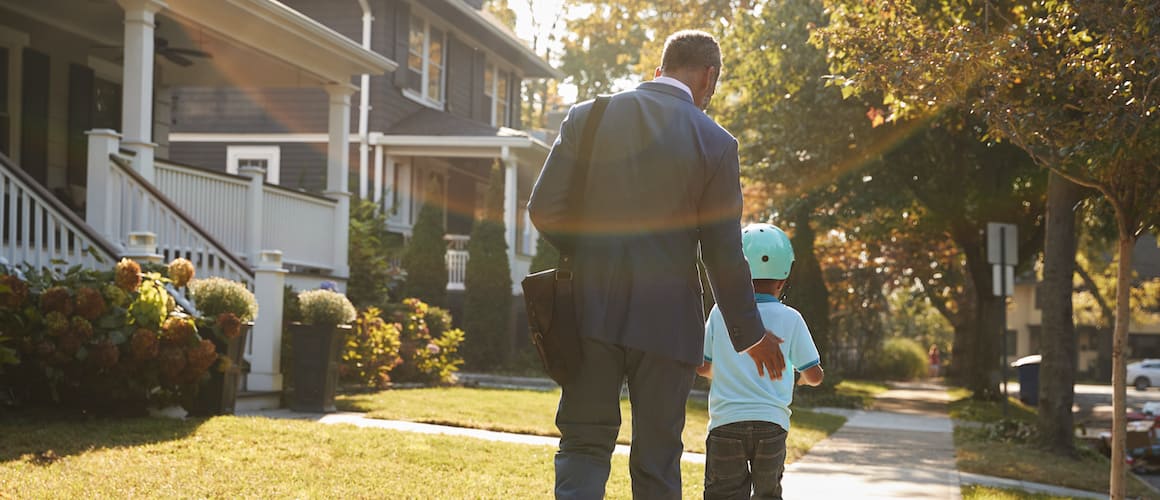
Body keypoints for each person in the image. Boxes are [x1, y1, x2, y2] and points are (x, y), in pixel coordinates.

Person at [528, 30, 786, 499]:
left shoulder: (587, 117)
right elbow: (723, 252)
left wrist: (588, 253)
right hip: (668, 323)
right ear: (709, 77)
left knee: (584, 443)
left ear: (659, 69)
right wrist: (749, 334)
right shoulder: (716, 142)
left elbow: (544, 208)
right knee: (657, 459)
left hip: (588, 310)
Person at [697, 223, 824, 500]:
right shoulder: (792, 318)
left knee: (722, 493)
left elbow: (702, 365)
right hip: (772, 425)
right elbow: (814, 375)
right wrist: (797, 377)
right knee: (767, 494)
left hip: (725, 423)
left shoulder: (721, 313)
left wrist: (726, 371)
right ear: (783, 279)